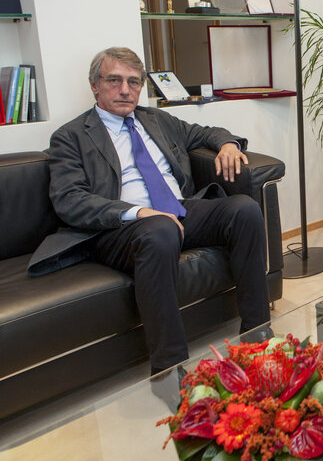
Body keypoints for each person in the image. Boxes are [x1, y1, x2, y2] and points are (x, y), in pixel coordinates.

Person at [40, 47, 272, 374]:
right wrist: (140, 213)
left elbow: (207, 133)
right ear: (95, 85)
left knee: (244, 210)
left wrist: (229, 145)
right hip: (122, 228)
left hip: (177, 211)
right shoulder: (71, 136)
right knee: (159, 229)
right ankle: (169, 370)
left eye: (134, 83)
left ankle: (257, 338)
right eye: (114, 80)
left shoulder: (156, 119)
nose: (125, 90)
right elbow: (69, 200)